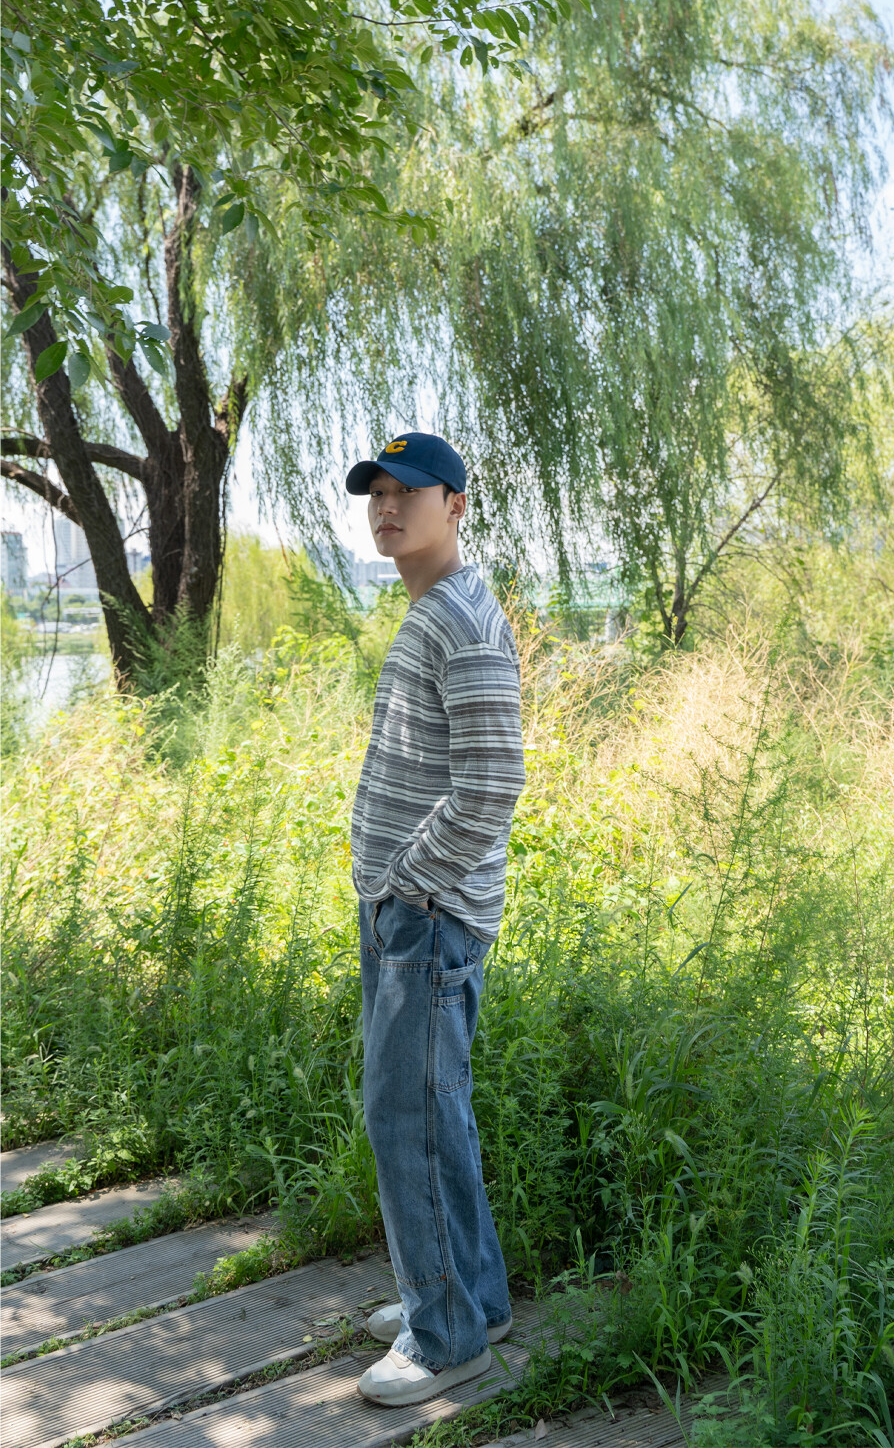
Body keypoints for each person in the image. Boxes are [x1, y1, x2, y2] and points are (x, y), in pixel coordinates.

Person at [345, 432, 526, 1407]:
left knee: (405, 1114)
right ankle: (469, 1297)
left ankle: (446, 1338)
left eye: (408, 491)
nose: (387, 506)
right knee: (434, 1110)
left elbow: (492, 784)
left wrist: (409, 882)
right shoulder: (436, 608)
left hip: (426, 916)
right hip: (409, 911)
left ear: (455, 504)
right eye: (376, 491)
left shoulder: (459, 618)